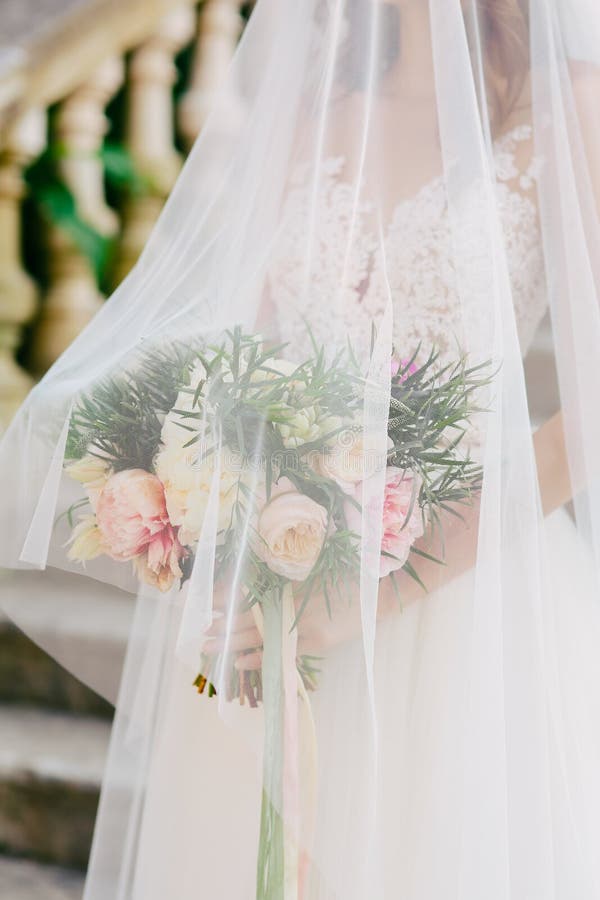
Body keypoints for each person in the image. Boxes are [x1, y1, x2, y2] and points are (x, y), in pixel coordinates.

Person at [1, 1, 600, 897]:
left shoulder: (566, 108)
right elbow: (249, 358)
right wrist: (208, 512)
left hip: (475, 606)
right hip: (283, 594)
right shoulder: (312, 107)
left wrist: (392, 585)